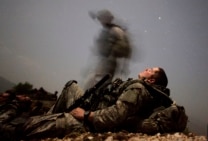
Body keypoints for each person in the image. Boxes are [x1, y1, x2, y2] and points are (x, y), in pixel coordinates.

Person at [20, 67, 188, 140]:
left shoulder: (138, 89)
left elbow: (114, 116)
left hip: (92, 123)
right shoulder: (139, 88)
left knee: (27, 128)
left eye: (151, 70)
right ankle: (50, 116)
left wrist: (85, 115)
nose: (146, 68)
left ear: (151, 79)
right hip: (95, 108)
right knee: (72, 86)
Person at [84, 9, 132, 89]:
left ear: (107, 18)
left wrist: (124, 67)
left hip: (108, 63)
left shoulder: (115, 30)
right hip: (103, 63)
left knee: (96, 86)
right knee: (92, 84)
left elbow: (125, 49)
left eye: (101, 18)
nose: (99, 21)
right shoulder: (107, 31)